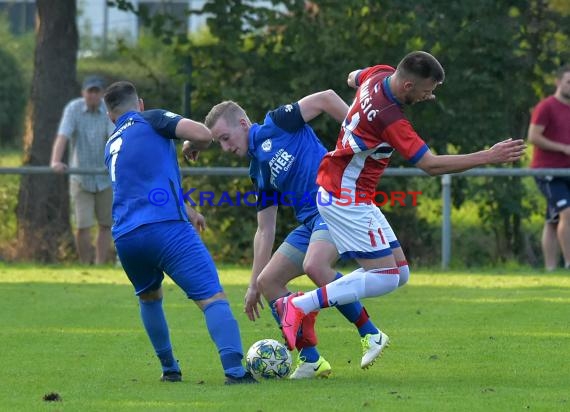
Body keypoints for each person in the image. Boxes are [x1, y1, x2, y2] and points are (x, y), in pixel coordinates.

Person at [275, 51, 526, 351]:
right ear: (407, 86)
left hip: (351, 192)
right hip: (345, 197)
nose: (427, 96)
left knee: (400, 274)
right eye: (426, 91)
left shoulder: (380, 74)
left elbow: (353, 76)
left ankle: (309, 307)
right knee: (385, 278)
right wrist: (489, 155)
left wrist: (410, 92)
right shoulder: (390, 118)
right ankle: (300, 305)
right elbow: (430, 165)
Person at [197, 90, 401, 378]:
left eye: (225, 137)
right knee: (269, 282)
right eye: (218, 142)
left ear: (243, 124)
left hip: (335, 207)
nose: (224, 147)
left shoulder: (278, 122)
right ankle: (311, 359)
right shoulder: (258, 170)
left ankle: (370, 333)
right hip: (310, 223)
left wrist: (363, 134)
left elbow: (326, 98)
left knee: (315, 266)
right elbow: (264, 229)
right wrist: (253, 284)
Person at [103, 80, 256, 384]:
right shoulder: (152, 118)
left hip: (126, 236)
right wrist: (192, 144)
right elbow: (203, 133)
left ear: (111, 117)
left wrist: (190, 210)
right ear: (140, 105)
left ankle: (170, 368)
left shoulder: (111, 144)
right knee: (213, 298)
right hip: (166, 229)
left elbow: (149, 186)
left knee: (149, 298)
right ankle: (236, 372)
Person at [50, 75, 115, 265]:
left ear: (102, 94)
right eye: (90, 91)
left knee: (106, 224)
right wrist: (55, 161)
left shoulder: (109, 109)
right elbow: (63, 136)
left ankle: (100, 265)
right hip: (80, 177)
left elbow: (115, 137)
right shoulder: (73, 109)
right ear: (83, 93)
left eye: (97, 92)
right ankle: (84, 263)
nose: (93, 96)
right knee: (82, 225)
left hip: (105, 176)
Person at [528, 64, 570, 271]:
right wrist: (563, 148)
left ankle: (550, 269)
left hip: (567, 171)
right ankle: (569, 263)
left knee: (553, 219)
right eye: (568, 82)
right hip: (548, 171)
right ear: (558, 82)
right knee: (567, 213)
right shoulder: (546, 106)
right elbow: (533, 136)